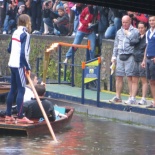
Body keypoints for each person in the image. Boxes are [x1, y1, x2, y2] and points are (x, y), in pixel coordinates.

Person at [5, 14, 34, 124]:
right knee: (21, 89)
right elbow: (23, 53)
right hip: (19, 65)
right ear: (27, 22)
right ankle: (20, 116)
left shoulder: (15, 32)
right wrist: (27, 66)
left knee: (13, 89)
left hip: (12, 63)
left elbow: (9, 49)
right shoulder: (25, 34)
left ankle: (8, 114)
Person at [109, 15, 139, 103]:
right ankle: (118, 96)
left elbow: (135, 40)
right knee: (118, 76)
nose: (124, 24)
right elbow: (115, 45)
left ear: (130, 21)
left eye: (126, 22)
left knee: (130, 77)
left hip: (130, 55)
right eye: (123, 22)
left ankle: (131, 97)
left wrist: (128, 34)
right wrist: (113, 57)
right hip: (120, 55)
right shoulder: (118, 32)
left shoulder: (135, 31)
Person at [124, 22, 148, 105]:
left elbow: (146, 48)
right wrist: (138, 37)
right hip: (135, 58)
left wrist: (144, 60)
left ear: (145, 28)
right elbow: (131, 42)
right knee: (134, 79)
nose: (140, 29)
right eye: (139, 28)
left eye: (142, 27)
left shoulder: (147, 36)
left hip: (142, 59)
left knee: (143, 79)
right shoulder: (136, 35)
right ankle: (133, 97)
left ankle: (143, 98)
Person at [141, 16, 155, 108]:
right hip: (148, 59)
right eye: (150, 20)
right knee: (151, 81)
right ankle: (154, 101)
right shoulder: (148, 32)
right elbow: (147, 46)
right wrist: (144, 59)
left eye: (153, 20)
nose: (151, 22)